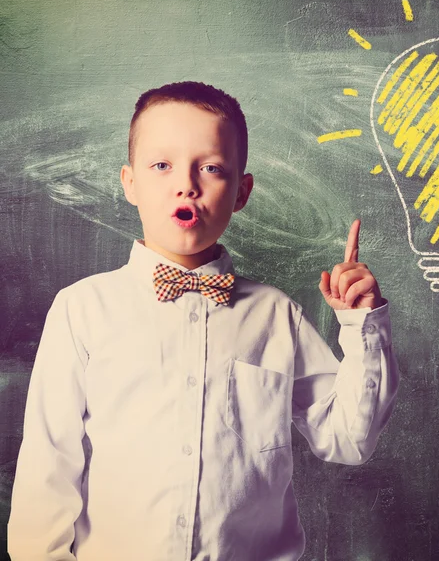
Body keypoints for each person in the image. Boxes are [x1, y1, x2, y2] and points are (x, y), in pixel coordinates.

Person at [8, 81, 399, 560]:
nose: (186, 184)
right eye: (161, 165)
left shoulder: (278, 316)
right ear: (129, 183)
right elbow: (48, 469)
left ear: (241, 192)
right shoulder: (82, 309)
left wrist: (364, 328)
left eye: (211, 168)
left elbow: (348, 441)